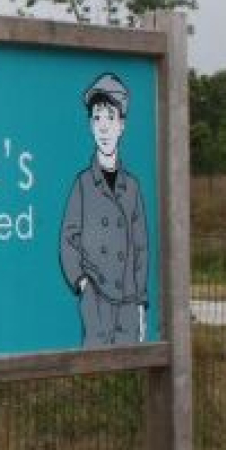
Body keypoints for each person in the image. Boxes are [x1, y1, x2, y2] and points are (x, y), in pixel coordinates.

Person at [58, 73, 149, 346]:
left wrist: (141, 302)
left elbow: (141, 246)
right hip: (96, 299)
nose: (104, 127)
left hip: (128, 302)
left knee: (129, 374)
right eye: (97, 118)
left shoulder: (132, 187)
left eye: (110, 118)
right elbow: (67, 239)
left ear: (122, 125)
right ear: (90, 125)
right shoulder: (83, 184)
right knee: (93, 373)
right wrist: (82, 282)